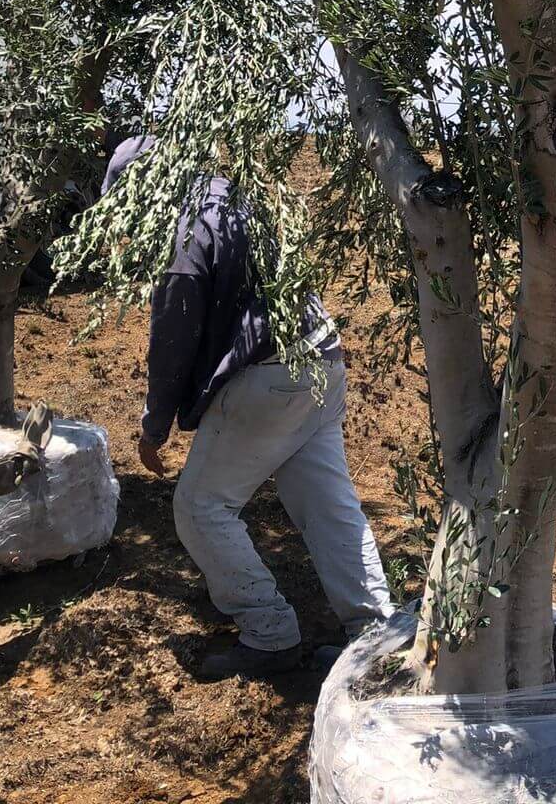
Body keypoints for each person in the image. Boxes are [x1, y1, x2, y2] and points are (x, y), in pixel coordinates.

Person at [101, 135, 393, 680]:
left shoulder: (184, 231)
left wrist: (155, 426)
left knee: (200, 507)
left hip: (272, 377)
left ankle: (269, 632)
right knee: (328, 507)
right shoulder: (236, 197)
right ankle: (376, 639)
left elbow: (173, 341)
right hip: (322, 361)